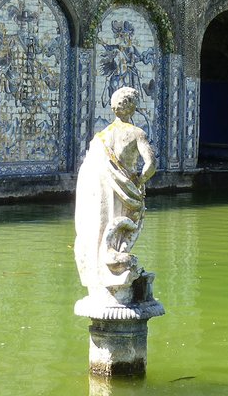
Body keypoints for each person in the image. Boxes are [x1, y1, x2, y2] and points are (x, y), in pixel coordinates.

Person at [74, 87, 157, 306]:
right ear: (133, 107)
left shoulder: (100, 137)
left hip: (103, 194)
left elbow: (88, 173)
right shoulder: (137, 133)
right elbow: (151, 164)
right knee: (124, 230)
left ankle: (103, 267)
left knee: (102, 229)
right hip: (127, 191)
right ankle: (117, 266)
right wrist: (139, 181)